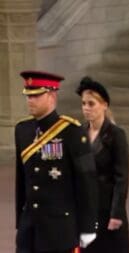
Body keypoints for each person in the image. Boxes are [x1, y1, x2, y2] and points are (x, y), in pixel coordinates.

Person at [15, 71, 98, 253]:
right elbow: (22, 180)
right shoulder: (22, 130)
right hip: (29, 228)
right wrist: (20, 221)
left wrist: (88, 227)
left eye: (36, 95)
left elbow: (87, 182)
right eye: (28, 96)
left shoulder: (72, 132)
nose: (30, 100)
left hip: (60, 229)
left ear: (52, 95)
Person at [76, 77, 129, 253]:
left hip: (107, 208)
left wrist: (116, 213)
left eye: (91, 104)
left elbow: (121, 178)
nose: (86, 108)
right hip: (86, 208)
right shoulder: (79, 133)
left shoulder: (116, 135)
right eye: (83, 103)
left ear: (104, 105)